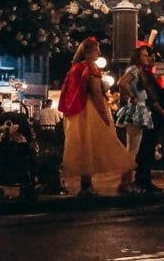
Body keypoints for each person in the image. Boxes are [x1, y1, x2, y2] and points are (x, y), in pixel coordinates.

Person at [58, 37, 135, 197]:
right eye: (96, 49)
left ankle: (86, 185)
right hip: (89, 110)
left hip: (76, 112)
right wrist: (104, 115)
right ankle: (114, 180)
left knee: (83, 147)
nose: (99, 52)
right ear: (87, 52)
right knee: (100, 144)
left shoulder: (75, 68)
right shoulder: (90, 68)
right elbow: (96, 92)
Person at [114, 47, 155, 194]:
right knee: (133, 149)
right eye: (144, 55)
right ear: (137, 57)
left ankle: (126, 181)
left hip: (138, 107)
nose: (146, 57)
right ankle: (126, 182)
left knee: (132, 148)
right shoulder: (134, 70)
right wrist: (132, 96)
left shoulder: (137, 70)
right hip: (137, 108)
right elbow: (122, 82)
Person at [134, 47, 164, 193]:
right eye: (148, 56)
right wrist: (161, 111)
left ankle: (143, 179)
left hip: (151, 114)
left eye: (152, 56)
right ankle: (142, 179)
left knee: (148, 148)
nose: (151, 59)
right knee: (146, 148)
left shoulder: (147, 74)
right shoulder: (141, 74)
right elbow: (151, 96)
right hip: (150, 115)